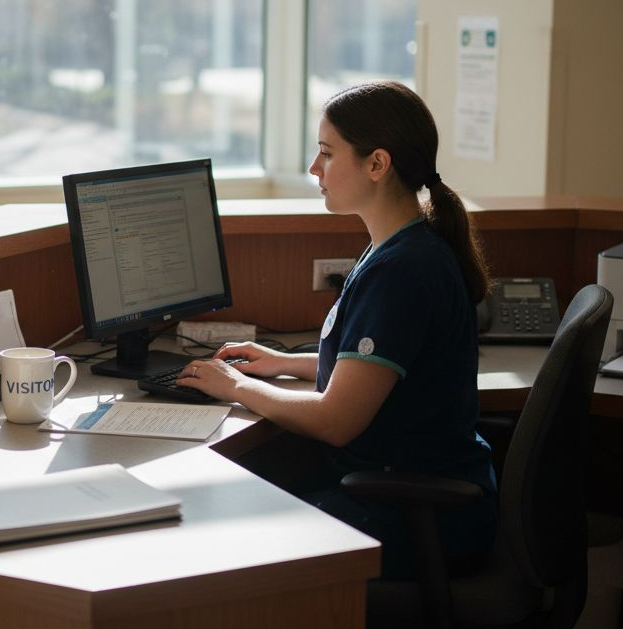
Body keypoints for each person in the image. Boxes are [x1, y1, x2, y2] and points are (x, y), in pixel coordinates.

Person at [176, 81, 497, 580]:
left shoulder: (401, 270)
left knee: (222, 539)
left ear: (376, 164)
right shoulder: (404, 244)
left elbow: (335, 420)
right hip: (414, 495)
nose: (313, 168)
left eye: (327, 153)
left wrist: (236, 386)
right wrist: (282, 363)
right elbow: (381, 367)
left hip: (413, 517)